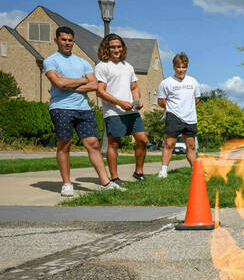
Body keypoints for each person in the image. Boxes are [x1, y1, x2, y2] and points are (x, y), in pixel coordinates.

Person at [43, 26, 122, 197]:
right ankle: (67, 183)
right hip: (61, 108)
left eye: (70, 40)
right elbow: (59, 84)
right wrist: (81, 81)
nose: (67, 43)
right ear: (56, 40)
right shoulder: (51, 61)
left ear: (74, 41)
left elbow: (95, 84)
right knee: (65, 144)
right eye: (63, 40)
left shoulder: (83, 62)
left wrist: (72, 84)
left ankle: (105, 182)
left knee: (93, 143)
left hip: (84, 109)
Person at [94, 34, 148, 183]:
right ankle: (115, 178)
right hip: (113, 112)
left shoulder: (128, 66)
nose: (116, 49)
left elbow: (134, 87)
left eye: (119, 46)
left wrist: (137, 101)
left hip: (131, 111)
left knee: (142, 139)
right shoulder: (102, 66)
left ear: (122, 48)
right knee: (114, 143)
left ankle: (138, 172)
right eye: (112, 47)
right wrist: (119, 103)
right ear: (107, 48)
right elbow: (100, 91)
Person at [156, 53, 200, 178]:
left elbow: (196, 99)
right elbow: (161, 101)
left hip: (190, 118)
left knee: (191, 146)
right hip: (174, 117)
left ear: (186, 67)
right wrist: (174, 109)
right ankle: (163, 171)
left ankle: (195, 170)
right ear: (174, 67)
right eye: (178, 67)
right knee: (169, 144)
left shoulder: (193, 82)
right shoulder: (166, 83)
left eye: (183, 67)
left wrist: (186, 108)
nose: (181, 70)